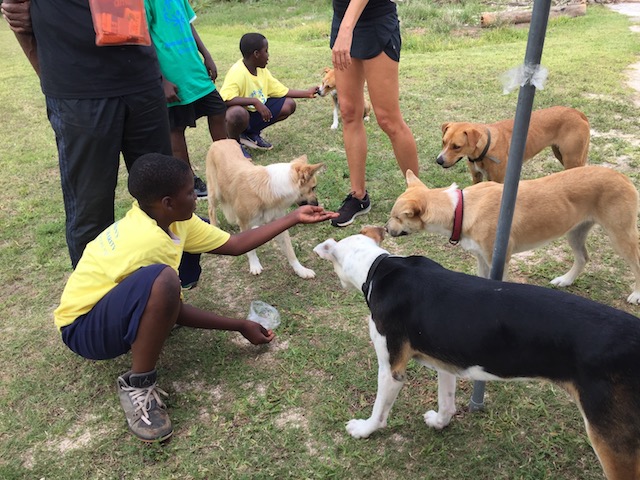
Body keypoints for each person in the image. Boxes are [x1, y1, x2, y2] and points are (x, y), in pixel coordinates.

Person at [53, 153, 338, 443]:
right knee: (164, 282)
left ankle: (146, 322)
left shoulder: (172, 219)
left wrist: (293, 217)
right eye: (190, 193)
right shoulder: (149, 243)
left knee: (161, 286)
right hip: (82, 330)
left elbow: (236, 244)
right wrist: (237, 325)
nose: (197, 197)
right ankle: (138, 385)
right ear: (168, 202)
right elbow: (174, 308)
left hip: (106, 309)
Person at [1, 0, 173, 268]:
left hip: (142, 79)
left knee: (162, 193)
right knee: (91, 208)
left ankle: (165, 287)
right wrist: (51, 77)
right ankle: (95, 305)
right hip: (78, 87)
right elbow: (15, 10)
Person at [329, 0, 420, 227]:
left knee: (388, 119)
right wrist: (344, 27)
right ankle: (358, 196)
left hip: (375, 20)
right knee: (349, 112)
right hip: (343, 20)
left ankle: (418, 195)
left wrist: (346, 30)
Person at [145, 0, 227, 198]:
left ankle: (225, 167)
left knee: (218, 110)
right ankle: (188, 179)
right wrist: (161, 79)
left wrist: (206, 55)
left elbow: (189, 24)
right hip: (171, 74)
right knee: (176, 129)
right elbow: (144, 39)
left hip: (193, 69)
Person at [219, 32, 319, 154]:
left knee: (288, 104)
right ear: (256, 54)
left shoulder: (261, 71)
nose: (268, 56)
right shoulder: (238, 72)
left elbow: (281, 91)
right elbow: (225, 100)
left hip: (253, 115)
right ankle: (235, 145)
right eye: (266, 51)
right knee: (237, 113)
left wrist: (307, 93)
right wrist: (255, 102)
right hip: (238, 116)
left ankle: (250, 134)